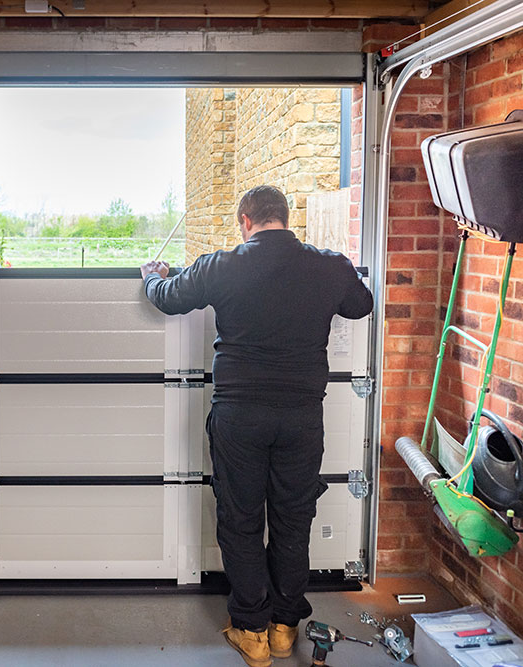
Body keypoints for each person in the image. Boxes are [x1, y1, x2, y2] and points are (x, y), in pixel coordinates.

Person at [140, 185, 373, 667]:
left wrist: (152, 276)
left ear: (245, 220)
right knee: (293, 518)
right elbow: (360, 305)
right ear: (285, 219)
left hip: (239, 417)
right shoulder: (327, 266)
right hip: (301, 418)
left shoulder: (222, 265)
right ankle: (286, 627)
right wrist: (337, 270)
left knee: (242, 519)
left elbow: (166, 298)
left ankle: (252, 634)